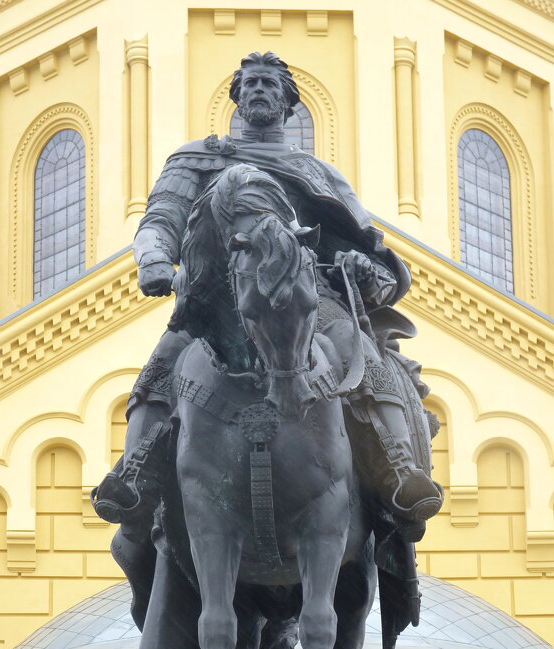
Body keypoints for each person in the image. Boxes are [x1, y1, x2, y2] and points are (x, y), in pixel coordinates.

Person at [92, 51, 442, 536]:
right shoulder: (199, 159)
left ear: (288, 103)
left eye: (270, 85)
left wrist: (360, 265)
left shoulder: (316, 173)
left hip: (311, 297)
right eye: (250, 83)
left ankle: (401, 468)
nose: (259, 90)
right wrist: (154, 261)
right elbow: (161, 219)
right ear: (236, 98)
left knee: (359, 352)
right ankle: (133, 473)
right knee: (164, 365)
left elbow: (364, 244)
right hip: (220, 300)